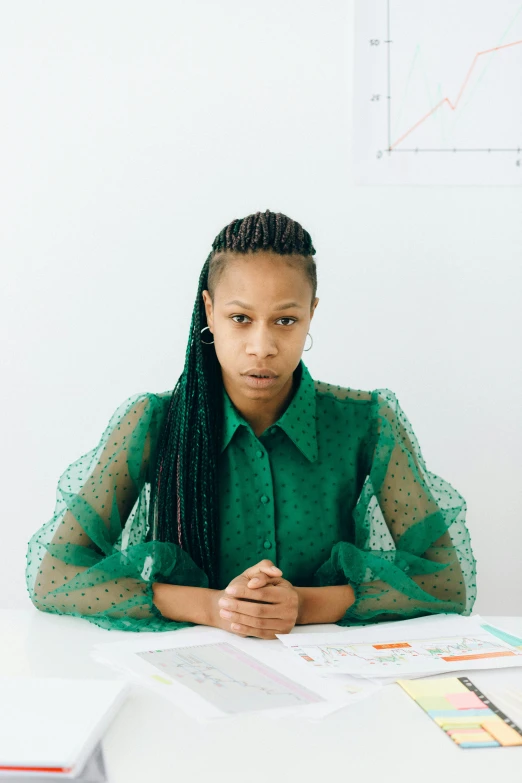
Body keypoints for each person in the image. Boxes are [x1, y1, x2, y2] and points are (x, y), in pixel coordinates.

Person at [25, 209, 477, 637]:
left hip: (329, 671)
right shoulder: (152, 422)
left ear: (311, 315)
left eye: (285, 320)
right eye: (240, 319)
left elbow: (447, 582)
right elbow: (55, 577)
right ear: (209, 311)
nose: (261, 346)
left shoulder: (367, 422)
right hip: (190, 669)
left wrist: (301, 605)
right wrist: (215, 608)